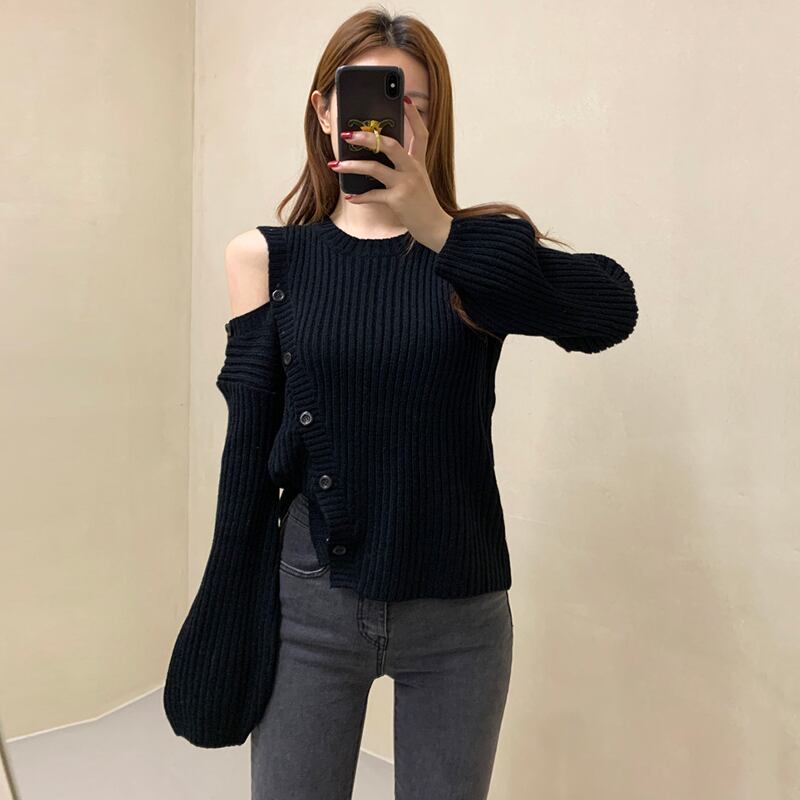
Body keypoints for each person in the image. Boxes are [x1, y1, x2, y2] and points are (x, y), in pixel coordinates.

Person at [163, 9, 638, 800]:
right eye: (368, 98)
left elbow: (610, 309)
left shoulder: (477, 253)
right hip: (311, 604)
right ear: (324, 112)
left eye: (410, 101)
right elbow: (246, 456)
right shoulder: (267, 260)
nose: (389, 120)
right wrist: (223, 610)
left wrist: (442, 231)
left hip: (459, 617)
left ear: (432, 118)